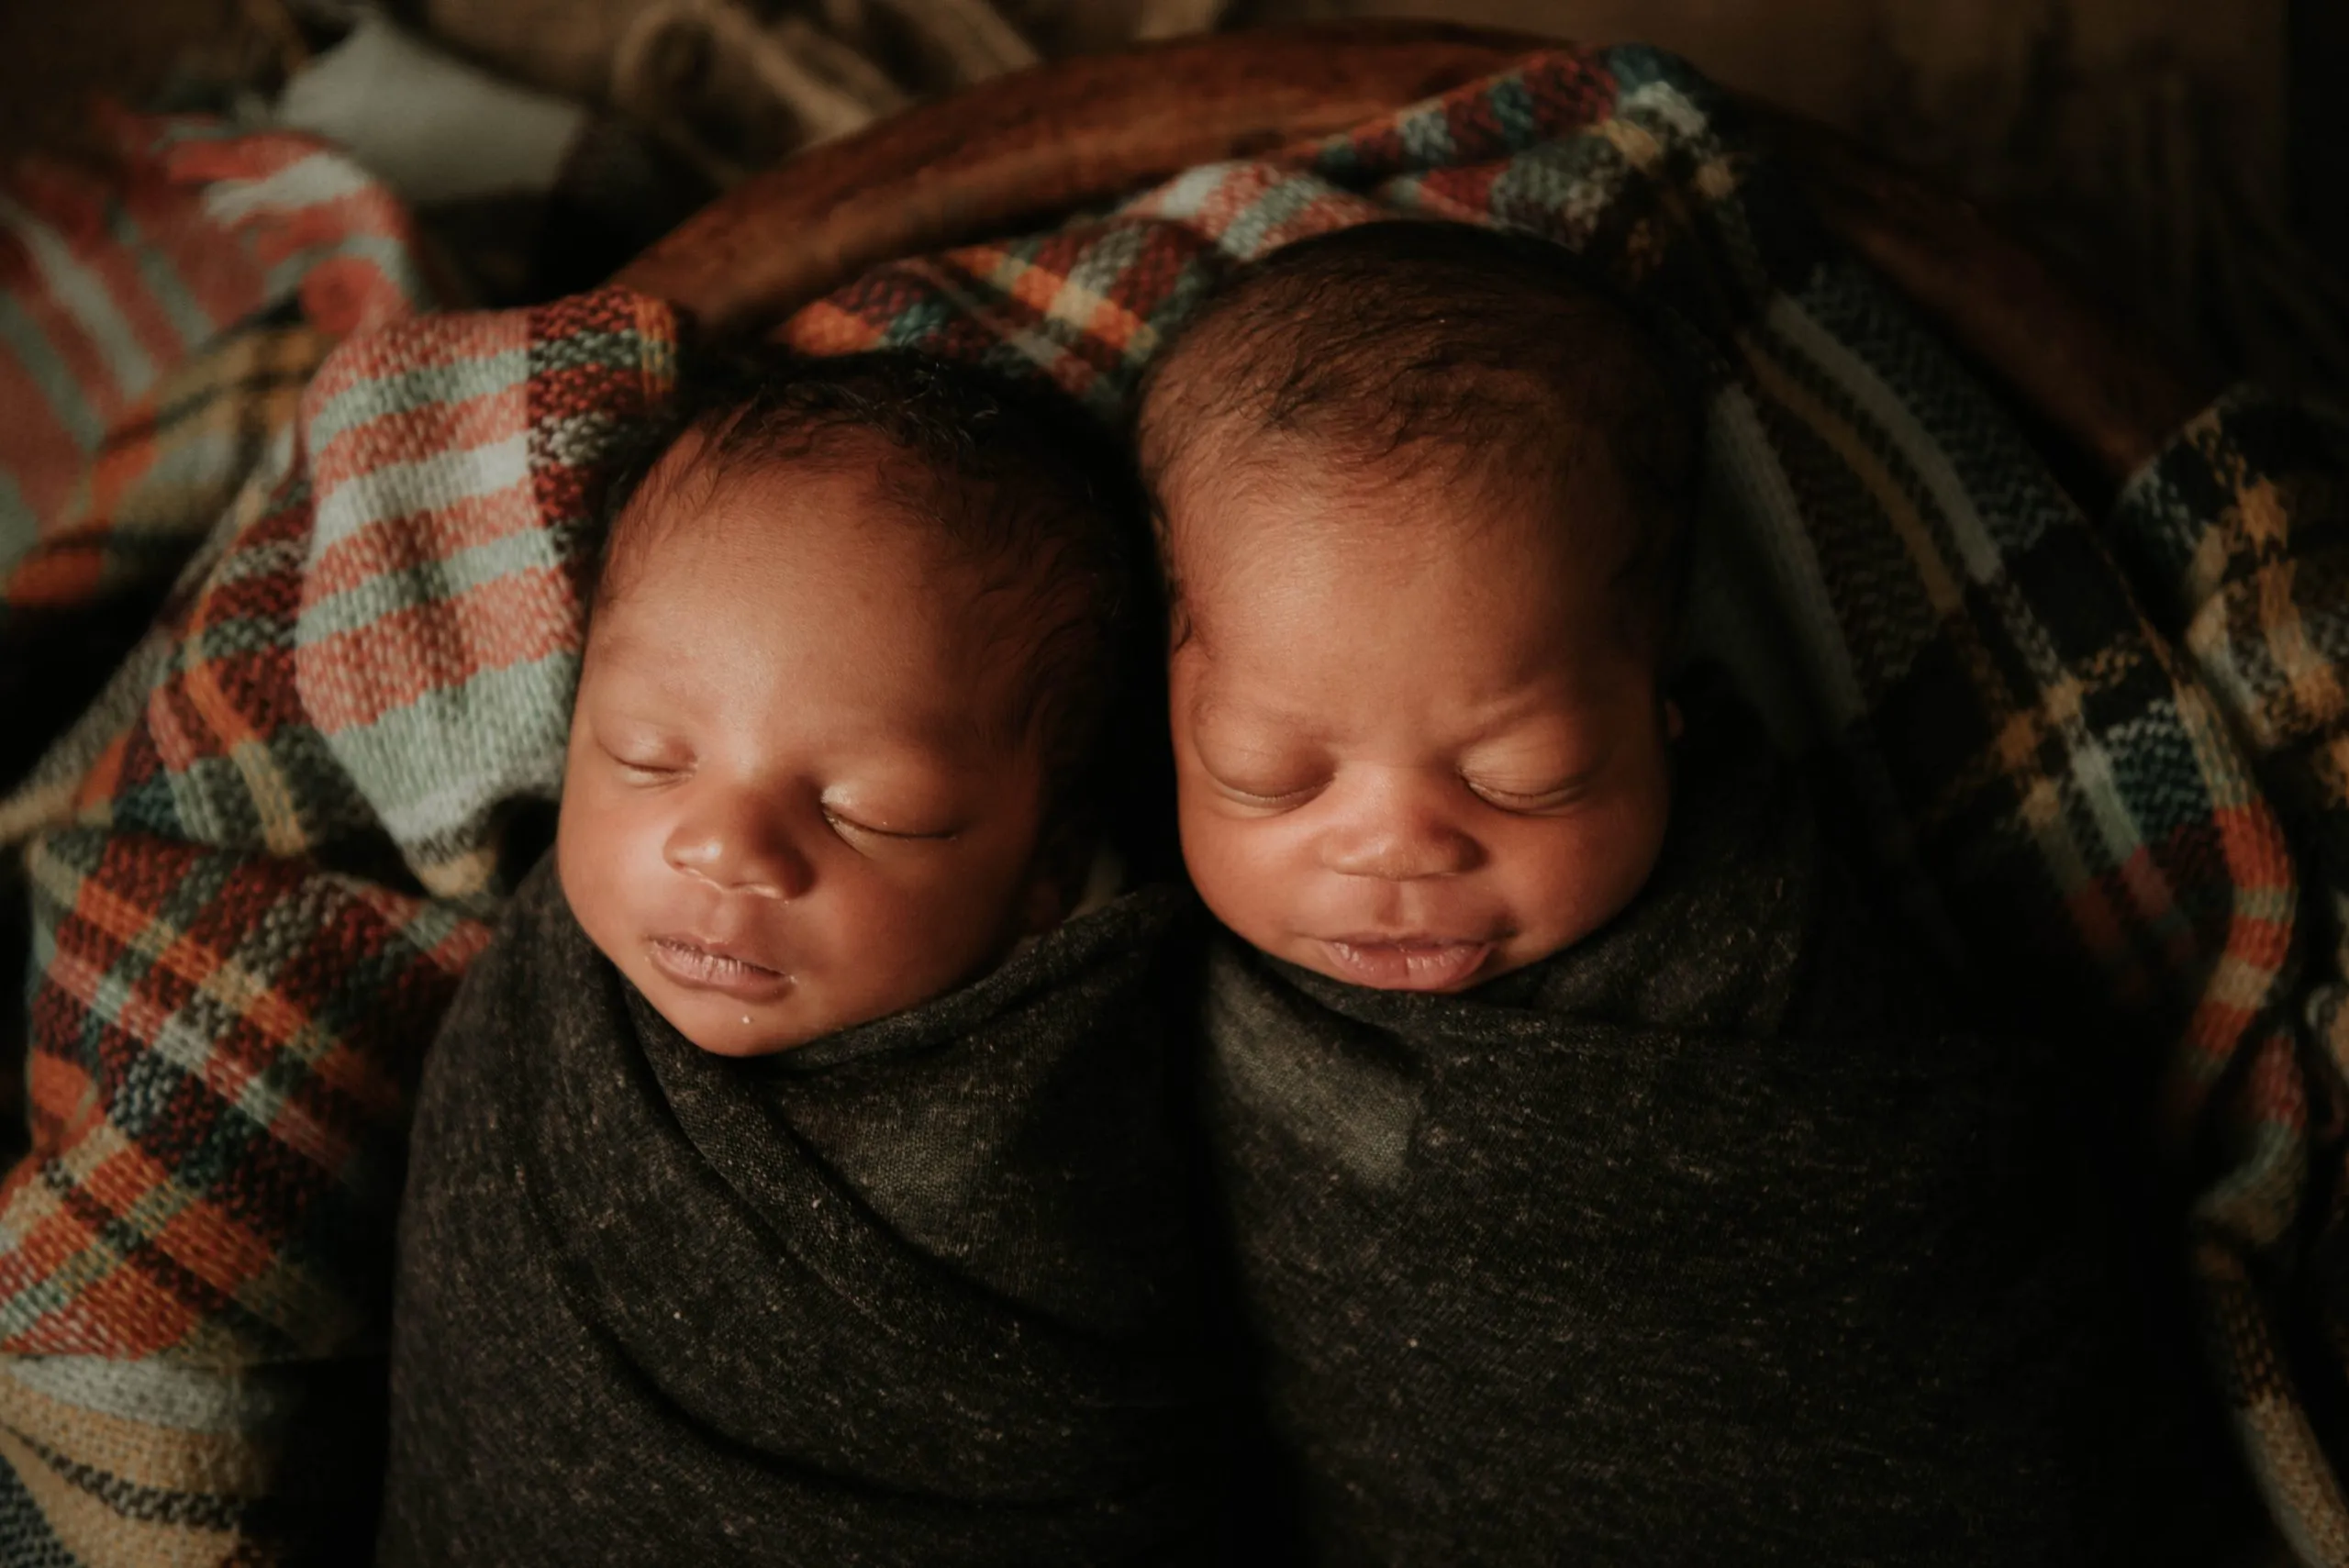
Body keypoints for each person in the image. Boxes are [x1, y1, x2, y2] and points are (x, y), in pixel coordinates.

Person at [1135, 219, 2205, 1564]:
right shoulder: (1138, 956)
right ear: (1163, 708)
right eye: (1270, 775)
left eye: (1530, 775)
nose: (1398, 851)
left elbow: (1975, 1222)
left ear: (1663, 701)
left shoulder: (1766, 927)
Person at [381, 348, 1219, 1565]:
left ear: (1050, 871)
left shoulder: (1099, 1108)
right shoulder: (542, 1009)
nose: (722, 846)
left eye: (871, 810)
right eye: (647, 755)